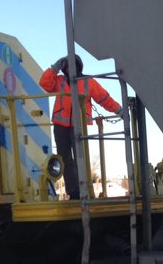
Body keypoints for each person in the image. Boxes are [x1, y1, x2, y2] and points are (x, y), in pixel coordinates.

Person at [40, 55, 124, 199]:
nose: (70, 68)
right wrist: (54, 68)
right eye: (66, 65)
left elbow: (104, 98)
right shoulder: (59, 81)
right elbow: (44, 84)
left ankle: (84, 189)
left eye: (73, 65)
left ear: (79, 66)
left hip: (79, 126)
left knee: (81, 158)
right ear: (64, 67)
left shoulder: (88, 82)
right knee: (64, 159)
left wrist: (119, 110)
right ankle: (74, 193)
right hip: (61, 126)